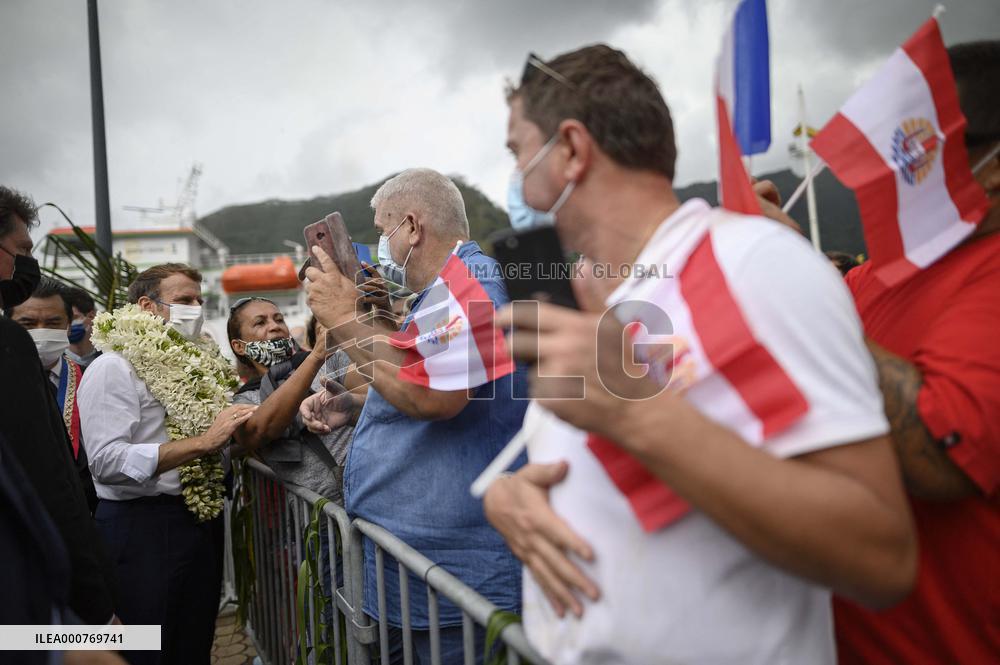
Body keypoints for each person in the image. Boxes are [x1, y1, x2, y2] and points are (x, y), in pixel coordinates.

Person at [482, 46, 916, 664]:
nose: (517, 178)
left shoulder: (753, 263)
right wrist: (514, 497)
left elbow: (881, 555)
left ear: (572, 149)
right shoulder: (606, 301)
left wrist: (636, 410)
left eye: (517, 151)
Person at [304, 168, 528, 664]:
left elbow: (434, 396)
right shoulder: (444, 293)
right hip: (422, 574)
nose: (380, 246)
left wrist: (342, 316)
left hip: (457, 577)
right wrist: (354, 404)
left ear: (412, 226)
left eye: (383, 231)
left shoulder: (472, 283)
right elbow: (421, 370)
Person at [832, 40, 1000, 664]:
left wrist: (805, 292)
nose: (899, 163)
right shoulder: (879, 274)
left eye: (923, 142)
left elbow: (937, 457)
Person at [77, 263, 256, 665]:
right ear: (147, 306)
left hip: (196, 521)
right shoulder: (113, 367)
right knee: (147, 649)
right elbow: (106, 462)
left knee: (193, 643)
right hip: (142, 528)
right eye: (184, 300)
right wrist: (204, 442)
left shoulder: (197, 365)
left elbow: (214, 445)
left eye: (199, 300)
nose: (196, 308)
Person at [0, 185, 119, 627]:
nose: (28, 265)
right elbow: (48, 483)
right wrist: (97, 611)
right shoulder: (8, 346)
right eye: (22, 250)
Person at [228, 296, 360, 503]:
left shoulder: (330, 361)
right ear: (239, 346)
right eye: (260, 323)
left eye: (279, 319)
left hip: (371, 486)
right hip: (321, 514)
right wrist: (315, 357)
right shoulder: (245, 398)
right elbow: (259, 432)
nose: (275, 326)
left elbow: (375, 387)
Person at [6, 276, 97, 512]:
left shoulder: (92, 379)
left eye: (53, 323)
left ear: (68, 325)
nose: (41, 331)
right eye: (27, 323)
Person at [64, 286, 102, 368]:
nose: (68, 325)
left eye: (73, 318)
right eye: (63, 319)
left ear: (91, 316)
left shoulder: (106, 358)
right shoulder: (55, 362)